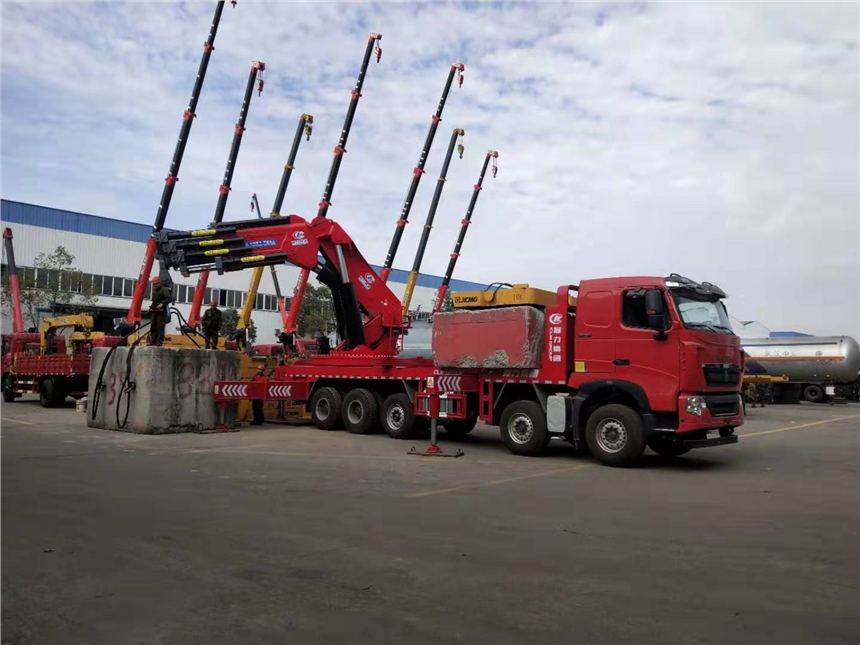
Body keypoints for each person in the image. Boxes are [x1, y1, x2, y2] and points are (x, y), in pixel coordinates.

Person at [148, 276, 173, 347]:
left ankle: (158, 343)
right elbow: (154, 301)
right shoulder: (155, 290)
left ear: (159, 283)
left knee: (160, 327)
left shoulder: (164, 290)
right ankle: (153, 342)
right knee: (153, 327)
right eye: (153, 284)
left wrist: (162, 304)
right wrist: (152, 307)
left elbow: (169, 299)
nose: (154, 285)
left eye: (155, 284)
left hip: (161, 313)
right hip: (155, 311)